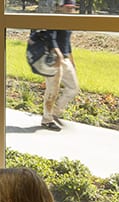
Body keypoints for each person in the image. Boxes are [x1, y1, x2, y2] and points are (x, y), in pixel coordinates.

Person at [40, 0, 80, 131]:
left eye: (72, 8)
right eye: (67, 8)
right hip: (53, 59)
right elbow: (50, 38)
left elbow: (67, 43)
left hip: (65, 58)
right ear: (60, 7)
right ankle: (47, 119)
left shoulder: (69, 22)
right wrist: (57, 53)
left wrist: (72, 61)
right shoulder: (54, 19)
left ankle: (55, 112)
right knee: (52, 90)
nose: (70, 10)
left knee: (73, 88)